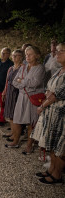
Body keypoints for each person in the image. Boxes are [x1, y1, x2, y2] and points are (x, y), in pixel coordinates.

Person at [32, 43, 65, 185]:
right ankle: (51, 169)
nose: (56, 54)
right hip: (52, 112)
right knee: (51, 141)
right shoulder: (59, 70)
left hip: (61, 114)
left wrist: (42, 106)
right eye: (56, 51)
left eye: (61, 51)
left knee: (60, 144)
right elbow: (49, 88)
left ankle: (57, 174)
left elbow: (57, 93)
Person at [6, 46, 45, 155]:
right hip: (22, 96)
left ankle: (29, 145)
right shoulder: (23, 67)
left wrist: (22, 81)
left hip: (32, 98)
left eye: (30, 54)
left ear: (37, 55)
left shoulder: (40, 68)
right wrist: (24, 82)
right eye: (26, 54)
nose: (27, 56)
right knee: (17, 119)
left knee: (31, 122)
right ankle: (16, 141)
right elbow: (14, 81)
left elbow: (35, 83)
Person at [2, 50, 24, 139]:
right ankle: (12, 132)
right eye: (13, 55)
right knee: (10, 114)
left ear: (21, 57)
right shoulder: (11, 68)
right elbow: (7, 81)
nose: (14, 57)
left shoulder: (23, 68)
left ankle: (16, 135)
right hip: (10, 92)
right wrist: (4, 92)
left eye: (16, 55)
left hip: (17, 93)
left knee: (16, 115)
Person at [0, 47, 14, 126]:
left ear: (9, 54)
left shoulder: (10, 64)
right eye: (2, 53)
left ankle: (2, 119)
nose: (3, 55)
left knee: (3, 104)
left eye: (5, 53)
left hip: (3, 87)